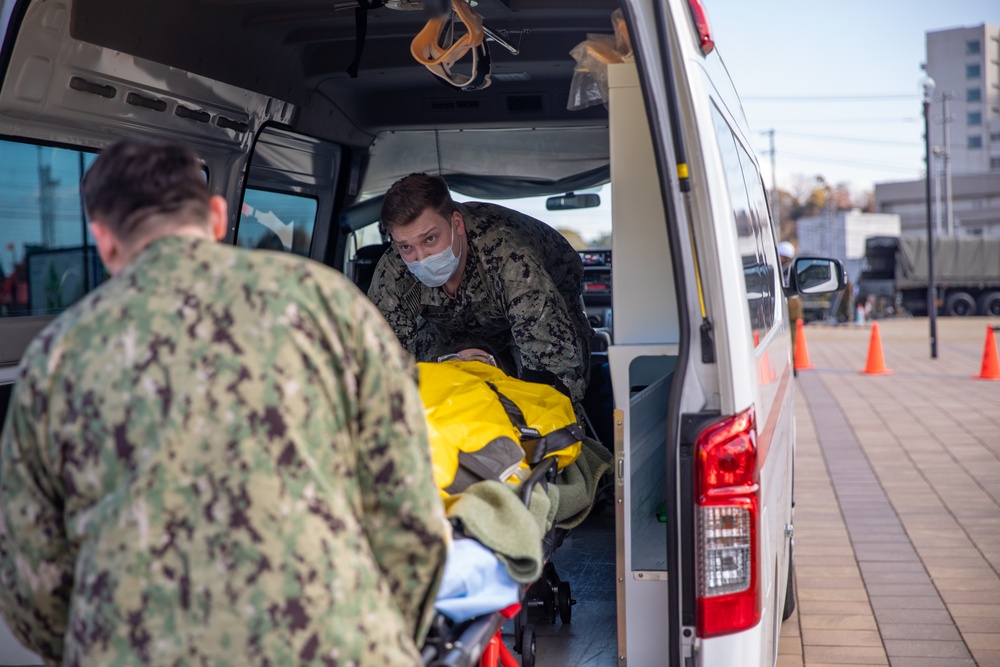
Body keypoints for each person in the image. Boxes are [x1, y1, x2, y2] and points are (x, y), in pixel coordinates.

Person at [0, 139, 448, 666]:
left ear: (103, 240)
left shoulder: (55, 356)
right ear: (216, 216)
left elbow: (30, 579)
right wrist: (376, 631)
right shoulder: (327, 303)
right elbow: (410, 515)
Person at [368, 173, 594, 423]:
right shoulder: (394, 270)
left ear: (457, 223)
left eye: (430, 239)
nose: (420, 257)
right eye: (406, 247)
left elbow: (553, 367)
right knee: (429, 381)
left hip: (540, 308)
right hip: (450, 324)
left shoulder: (509, 257)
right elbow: (381, 365)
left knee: (549, 397)